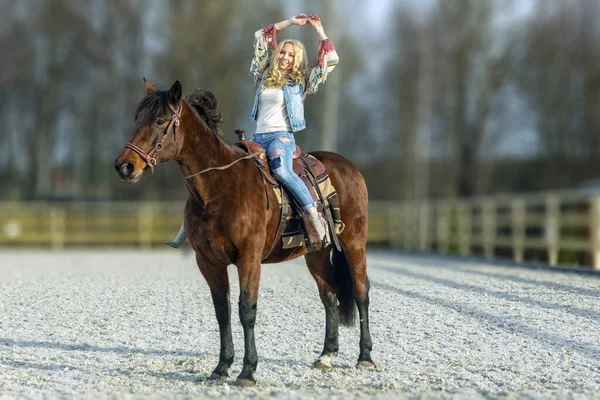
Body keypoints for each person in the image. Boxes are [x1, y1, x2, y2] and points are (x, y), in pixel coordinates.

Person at [166, 14, 338, 249]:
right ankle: (186, 228)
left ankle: (314, 216)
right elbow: (261, 36)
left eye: (291, 55)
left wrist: (319, 30)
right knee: (221, 175)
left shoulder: (302, 81)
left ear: (297, 60)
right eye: (284, 52)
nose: (286, 58)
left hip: (282, 138)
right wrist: (289, 22)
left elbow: (331, 60)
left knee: (283, 171)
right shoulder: (264, 74)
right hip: (257, 137)